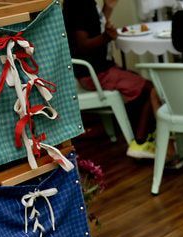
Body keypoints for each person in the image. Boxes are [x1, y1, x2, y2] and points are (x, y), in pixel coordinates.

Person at [64, 0, 159, 158]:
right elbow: (82, 45)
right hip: (95, 73)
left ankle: (146, 136)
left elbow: (94, 26)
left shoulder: (83, 4)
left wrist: (108, 8)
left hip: (97, 70)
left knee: (139, 80)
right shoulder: (79, 4)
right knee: (150, 88)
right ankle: (140, 142)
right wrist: (107, 37)